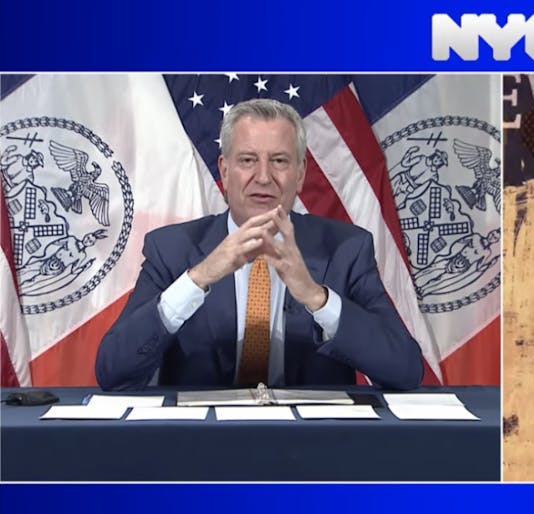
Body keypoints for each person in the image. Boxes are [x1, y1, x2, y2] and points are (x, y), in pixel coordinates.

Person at [96, 99, 423, 391]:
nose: (264, 177)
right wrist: (197, 278)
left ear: (300, 174)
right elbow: (113, 371)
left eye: (279, 161)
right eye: (248, 160)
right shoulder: (172, 249)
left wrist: (317, 297)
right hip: (200, 447)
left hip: (312, 448)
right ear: (225, 171)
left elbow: (405, 371)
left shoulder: (346, 249)